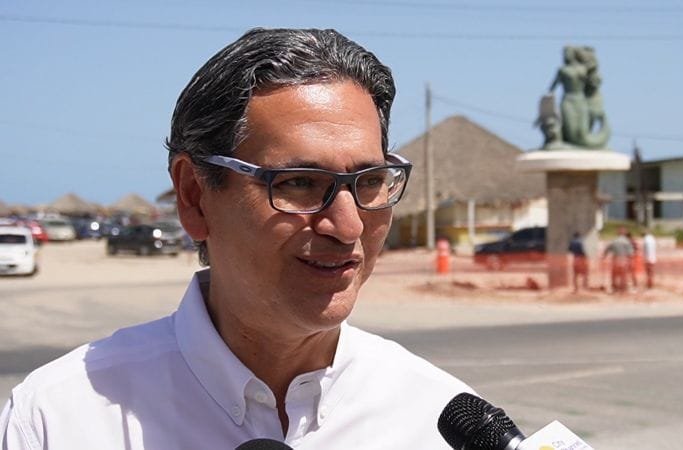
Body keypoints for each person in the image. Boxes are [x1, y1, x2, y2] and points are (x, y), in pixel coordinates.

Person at [0, 28, 472, 449]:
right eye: (299, 183)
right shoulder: (58, 422)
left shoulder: (438, 420)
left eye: (370, 182)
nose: (348, 227)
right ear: (194, 196)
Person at [603, 226, 634, 293]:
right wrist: (631, 262)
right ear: (624, 233)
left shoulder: (614, 241)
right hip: (624, 260)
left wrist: (604, 256)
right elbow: (630, 254)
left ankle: (615, 289)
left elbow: (607, 249)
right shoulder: (627, 241)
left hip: (615, 260)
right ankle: (622, 290)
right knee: (623, 276)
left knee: (614, 276)